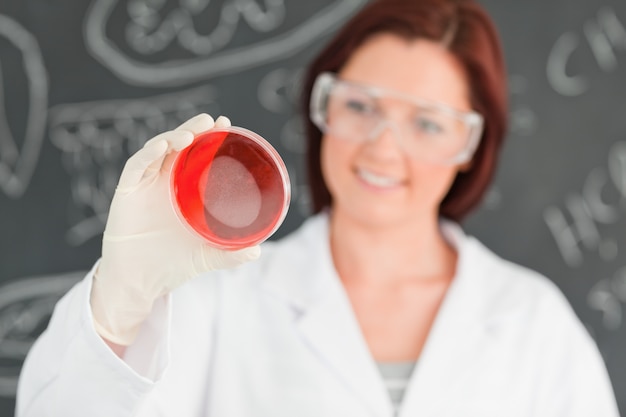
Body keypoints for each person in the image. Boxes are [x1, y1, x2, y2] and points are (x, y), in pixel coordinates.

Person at [16, 0, 619, 416]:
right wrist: (122, 300)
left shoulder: (533, 324)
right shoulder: (220, 299)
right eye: (359, 106)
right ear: (321, 108)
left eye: (428, 123)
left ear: (470, 147)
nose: (383, 146)